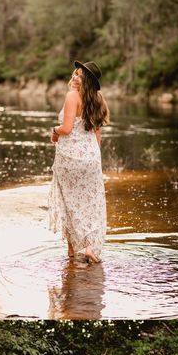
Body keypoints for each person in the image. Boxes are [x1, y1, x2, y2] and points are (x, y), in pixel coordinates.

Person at [48, 61, 109, 264]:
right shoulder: (98, 99)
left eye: (80, 76)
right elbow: (97, 133)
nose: (75, 77)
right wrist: (95, 160)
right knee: (89, 204)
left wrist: (53, 131)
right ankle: (85, 249)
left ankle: (75, 251)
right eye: (75, 73)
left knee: (69, 202)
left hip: (70, 158)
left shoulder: (72, 96)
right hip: (91, 159)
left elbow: (66, 128)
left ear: (86, 81)